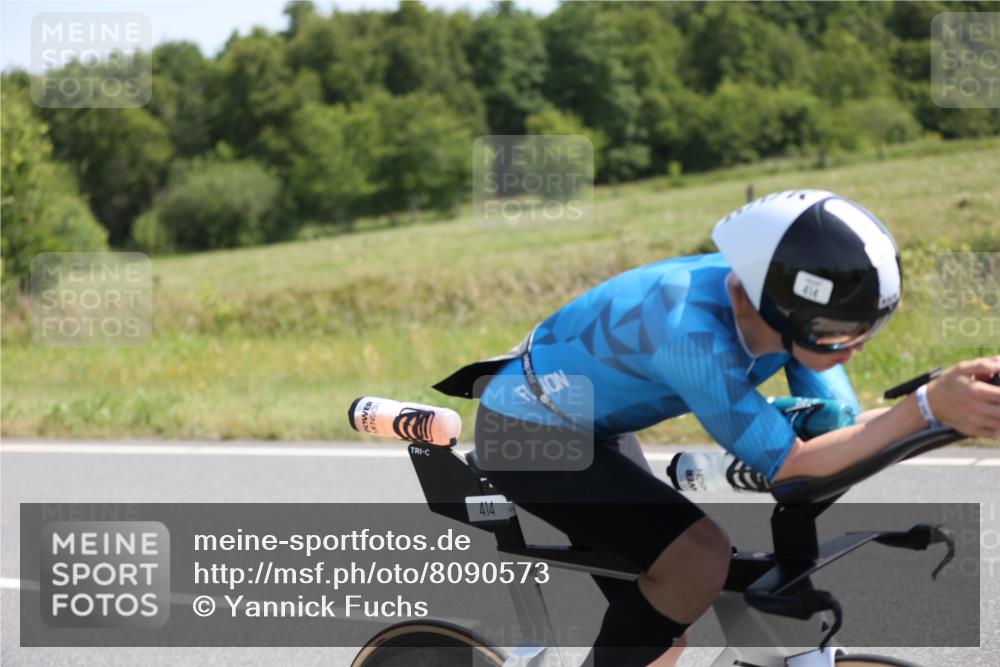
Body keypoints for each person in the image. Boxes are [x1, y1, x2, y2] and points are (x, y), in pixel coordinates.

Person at [434, 189, 1000, 667]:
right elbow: (795, 467)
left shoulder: (780, 312)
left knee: (668, 626)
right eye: (836, 331)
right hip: (525, 432)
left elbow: (843, 433)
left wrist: (956, 406)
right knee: (697, 561)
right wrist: (927, 406)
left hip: (589, 422)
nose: (852, 350)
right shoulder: (686, 331)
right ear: (768, 303)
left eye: (866, 330)